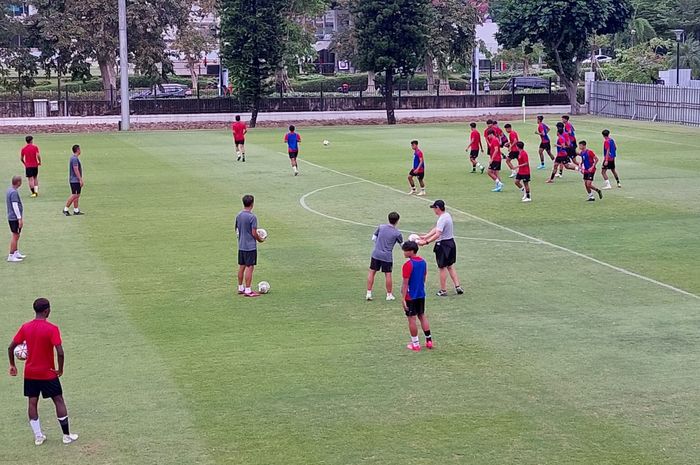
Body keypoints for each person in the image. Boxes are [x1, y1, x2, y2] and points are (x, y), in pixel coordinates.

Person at [8, 298, 79, 445]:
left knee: (32, 403)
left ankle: (38, 436)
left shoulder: (25, 327)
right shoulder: (52, 329)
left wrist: (12, 365)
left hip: (30, 373)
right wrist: (60, 369)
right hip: (48, 373)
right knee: (58, 400)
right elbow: (60, 352)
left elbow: (10, 347)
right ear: (46, 311)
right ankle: (66, 436)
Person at [418, 199, 464, 297]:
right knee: (450, 266)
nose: (434, 210)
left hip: (443, 245)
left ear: (438, 208)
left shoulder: (442, 218)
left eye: (434, 208)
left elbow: (438, 233)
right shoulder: (447, 215)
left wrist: (426, 242)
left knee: (442, 267)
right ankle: (457, 286)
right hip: (451, 243)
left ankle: (443, 290)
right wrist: (426, 236)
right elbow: (437, 228)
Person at [400, 241, 432, 352]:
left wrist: (403, 298)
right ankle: (429, 341)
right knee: (422, 315)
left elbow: (405, 283)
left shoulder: (408, 265)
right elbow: (423, 278)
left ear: (411, 251)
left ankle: (415, 344)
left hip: (410, 296)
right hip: (421, 294)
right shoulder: (423, 262)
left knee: (411, 319)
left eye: (405, 250)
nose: (404, 252)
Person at [366, 212, 403, 301]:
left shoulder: (381, 227)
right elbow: (402, 245)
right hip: (387, 256)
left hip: (376, 253)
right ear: (397, 221)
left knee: (372, 272)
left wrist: (379, 245)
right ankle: (389, 294)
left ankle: (368, 293)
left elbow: (374, 238)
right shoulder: (397, 233)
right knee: (388, 274)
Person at [235, 194, 264, 297]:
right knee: (249, 267)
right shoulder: (252, 217)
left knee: (241, 266)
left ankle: (240, 287)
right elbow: (254, 233)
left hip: (241, 245)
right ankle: (248, 290)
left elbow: (237, 230)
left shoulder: (239, 215)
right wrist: (260, 239)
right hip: (250, 246)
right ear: (252, 204)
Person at [6, 176, 25, 262]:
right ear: (18, 182)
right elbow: (15, 206)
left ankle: (15, 252)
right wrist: (19, 218)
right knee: (15, 235)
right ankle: (11, 255)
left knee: (17, 235)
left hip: (12, 217)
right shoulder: (13, 192)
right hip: (14, 218)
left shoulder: (10, 190)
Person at [63, 145, 84, 216]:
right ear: (77, 150)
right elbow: (76, 169)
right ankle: (65, 209)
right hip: (74, 180)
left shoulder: (74, 158)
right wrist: (80, 179)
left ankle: (76, 210)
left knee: (77, 195)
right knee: (74, 195)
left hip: (75, 180)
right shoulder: (74, 159)